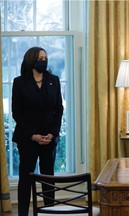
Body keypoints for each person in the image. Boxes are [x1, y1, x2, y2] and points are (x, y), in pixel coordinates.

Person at [12, 47, 64, 216]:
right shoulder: (19, 82)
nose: (44, 60)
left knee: (48, 178)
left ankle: (50, 212)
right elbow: (17, 113)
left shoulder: (54, 80)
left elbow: (59, 109)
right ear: (32, 60)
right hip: (28, 138)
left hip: (49, 139)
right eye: (41, 57)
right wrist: (33, 135)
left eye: (45, 57)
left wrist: (53, 133)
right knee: (26, 178)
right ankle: (22, 213)